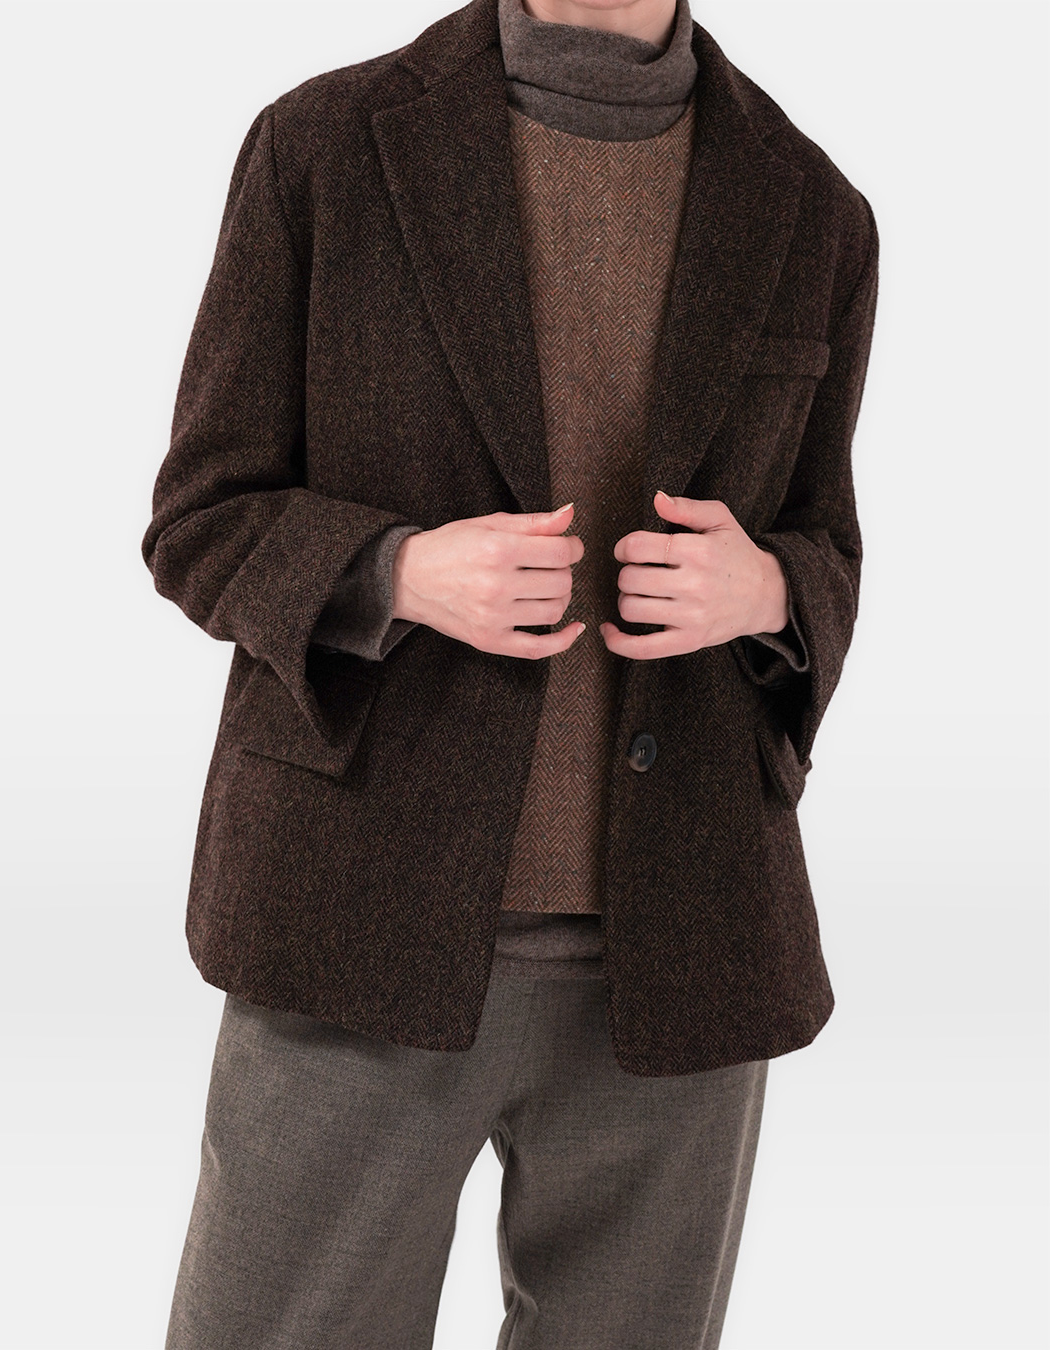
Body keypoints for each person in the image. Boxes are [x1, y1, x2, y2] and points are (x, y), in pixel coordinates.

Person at [143, 0, 878, 1343]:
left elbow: (825, 540)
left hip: (679, 952)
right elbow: (201, 518)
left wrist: (769, 589)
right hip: (360, 917)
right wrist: (396, 572)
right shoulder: (325, 149)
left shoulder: (812, 206)